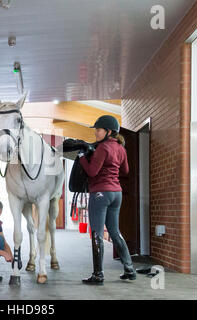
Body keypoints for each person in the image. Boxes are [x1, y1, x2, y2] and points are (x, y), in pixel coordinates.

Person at [79, 115, 136, 285]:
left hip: (100, 193)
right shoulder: (121, 148)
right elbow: (125, 170)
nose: (96, 133)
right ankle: (129, 269)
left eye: (98, 129)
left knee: (96, 233)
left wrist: (82, 157)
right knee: (115, 231)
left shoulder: (103, 148)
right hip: (116, 193)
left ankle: (98, 275)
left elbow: (92, 172)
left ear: (109, 131)